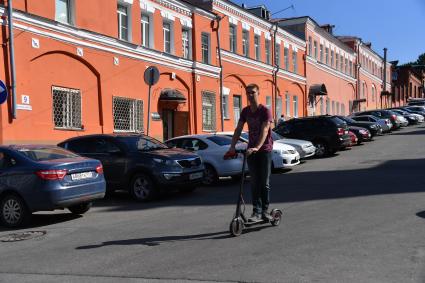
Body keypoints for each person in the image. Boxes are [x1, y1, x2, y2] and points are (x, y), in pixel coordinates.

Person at [227, 83, 274, 222]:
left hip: (264, 150)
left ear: (258, 93)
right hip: (251, 151)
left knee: (264, 182)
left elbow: (265, 129)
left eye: (252, 92)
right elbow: (238, 129)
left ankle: (265, 210)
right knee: (254, 182)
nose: (250, 95)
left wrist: (258, 147)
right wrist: (232, 146)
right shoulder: (245, 111)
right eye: (248, 93)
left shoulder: (265, 110)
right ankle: (256, 212)